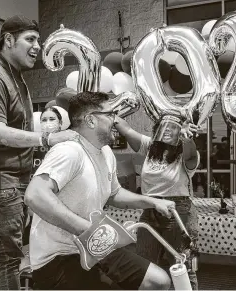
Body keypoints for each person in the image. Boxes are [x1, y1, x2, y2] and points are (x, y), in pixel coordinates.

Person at [0, 15, 77, 290]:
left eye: (38, 40)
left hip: (11, 181)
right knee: (8, 259)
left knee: (3, 253)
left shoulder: (14, 74)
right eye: (30, 39)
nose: (37, 46)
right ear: (8, 40)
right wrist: (47, 138)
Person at [25, 91, 176, 290]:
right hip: (59, 256)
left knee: (158, 282)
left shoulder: (105, 152)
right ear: (90, 120)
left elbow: (114, 194)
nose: (117, 119)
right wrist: (87, 230)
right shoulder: (70, 150)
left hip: (93, 247)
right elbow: (34, 195)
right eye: (111, 114)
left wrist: (153, 201)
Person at [114, 114, 200, 289]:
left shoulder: (186, 153)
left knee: (181, 266)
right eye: (164, 125)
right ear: (157, 129)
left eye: (174, 126)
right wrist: (107, 113)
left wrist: (188, 139)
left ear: (181, 131)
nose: (168, 129)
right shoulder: (150, 147)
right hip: (150, 209)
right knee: (144, 264)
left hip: (177, 212)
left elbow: (190, 153)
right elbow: (126, 129)